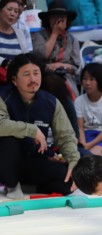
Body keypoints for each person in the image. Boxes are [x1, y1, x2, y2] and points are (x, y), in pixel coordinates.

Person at [0, 53, 80, 199]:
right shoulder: (3, 97)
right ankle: (11, 185)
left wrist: (73, 160)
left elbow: (66, 136)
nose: (33, 79)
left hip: (33, 159)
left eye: (36, 73)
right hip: (6, 159)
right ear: (14, 80)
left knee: (67, 181)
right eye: (26, 74)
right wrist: (31, 130)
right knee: (8, 141)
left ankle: (29, 186)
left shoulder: (50, 101)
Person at [32, 0, 81, 99]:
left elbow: (76, 66)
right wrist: (54, 34)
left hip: (67, 78)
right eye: (54, 17)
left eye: (62, 18)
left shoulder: (72, 39)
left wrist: (61, 66)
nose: (58, 21)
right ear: (48, 19)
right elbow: (42, 55)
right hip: (45, 78)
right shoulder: (39, 36)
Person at [74, 63, 102, 156]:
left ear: (100, 80)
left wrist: (89, 145)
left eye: (92, 79)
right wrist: (83, 144)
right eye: (85, 78)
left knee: (92, 155)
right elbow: (80, 127)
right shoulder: (79, 101)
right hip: (85, 135)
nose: (87, 83)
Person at [0, 0, 30, 71]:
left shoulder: (20, 33)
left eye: (16, 11)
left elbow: (26, 55)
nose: (12, 14)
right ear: (0, 11)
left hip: (15, 76)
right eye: (9, 9)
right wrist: (4, 62)